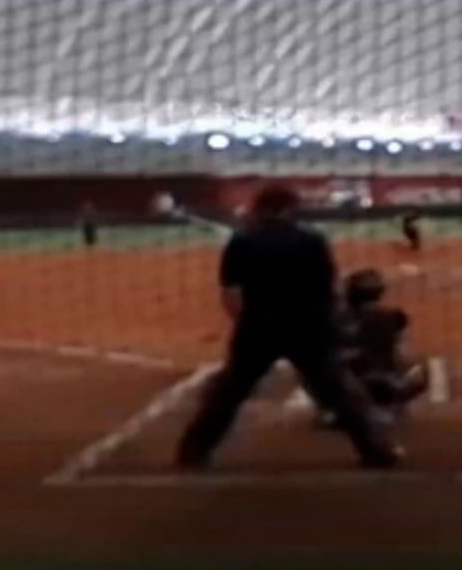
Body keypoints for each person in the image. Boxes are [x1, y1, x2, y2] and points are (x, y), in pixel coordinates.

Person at [175, 184, 401, 470]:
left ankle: (193, 451)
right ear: (289, 208)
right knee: (337, 391)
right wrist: (328, 327)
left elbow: (231, 295)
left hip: (259, 326)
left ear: (262, 209)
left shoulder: (242, 241)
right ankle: (376, 451)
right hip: (307, 327)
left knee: (230, 391)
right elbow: (328, 291)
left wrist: (247, 325)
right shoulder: (312, 240)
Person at [317, 268, 428, 429]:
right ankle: (389, 406)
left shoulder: (337, 318)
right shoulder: (393, 316)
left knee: (317, 366)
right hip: (387, 383)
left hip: (352, 385)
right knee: (418, 372)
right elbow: (400, 352)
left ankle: (336, 410)